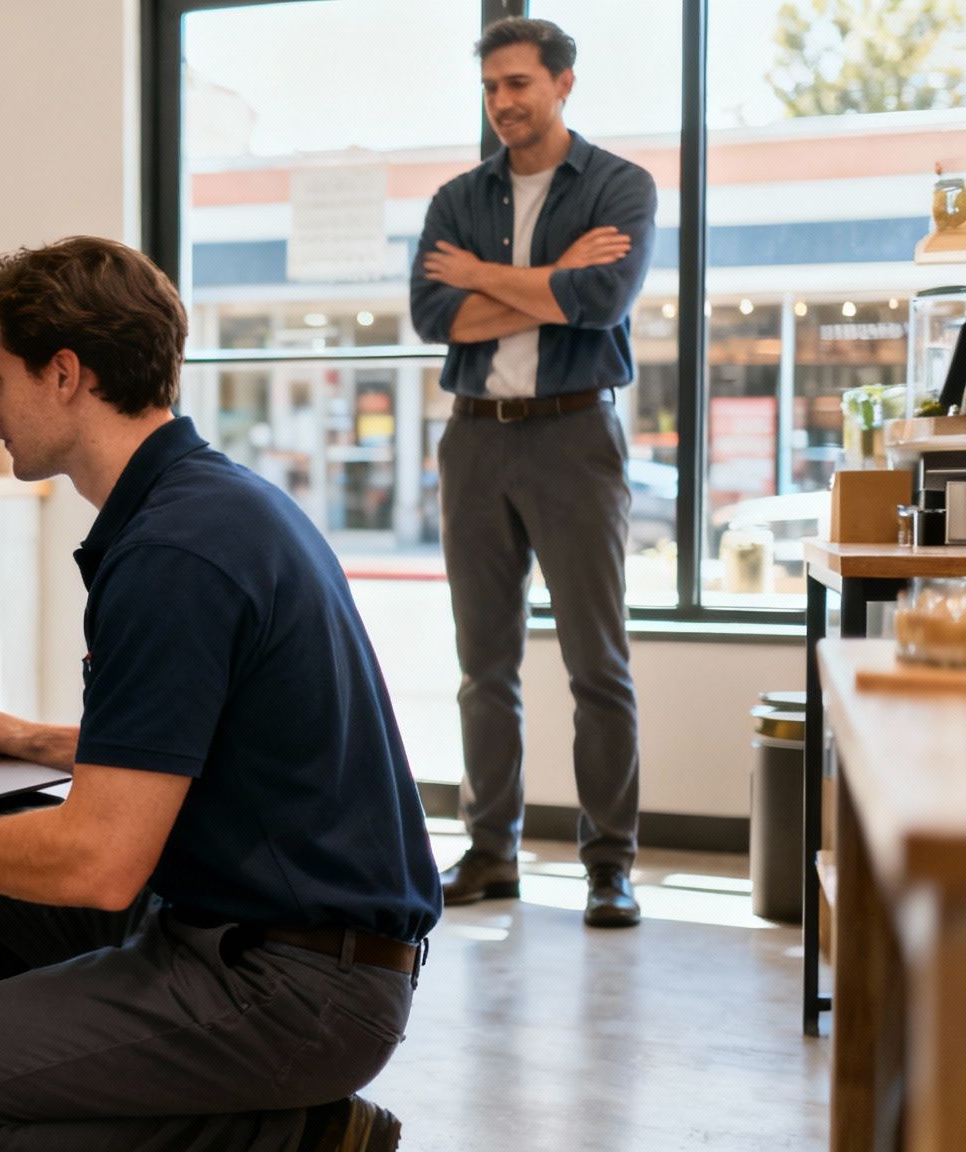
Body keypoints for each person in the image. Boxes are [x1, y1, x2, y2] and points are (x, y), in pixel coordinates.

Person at [0, 236, 440, 1152]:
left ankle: (288, 1136)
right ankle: (59, 1083)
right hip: (279, 940)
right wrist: (49, 744)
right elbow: (224, 733)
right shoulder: (211, 503)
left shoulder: (172, 557)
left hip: (295, 989)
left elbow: (101, 866)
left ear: (65, 373)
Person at [408, 16, 657, 928]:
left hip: (575, 437)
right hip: (474, 438)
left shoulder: (620, 187)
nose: (504, 102)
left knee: (598, 662)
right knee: (485, 666)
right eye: (491, 88)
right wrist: (545, 279)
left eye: (519, 83)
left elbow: (603, 303)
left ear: (563, 84)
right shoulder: (457, 199)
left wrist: (490, 278)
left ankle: (609, 864)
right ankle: (491, 851)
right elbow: (434, 316)